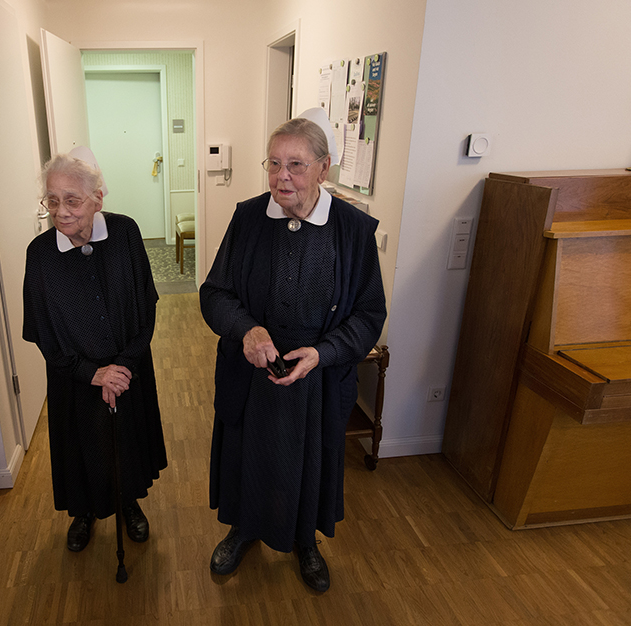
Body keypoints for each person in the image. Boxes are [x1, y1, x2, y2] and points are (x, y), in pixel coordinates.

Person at [199, 108, 386, 592]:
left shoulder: (353, 230)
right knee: (247, 454)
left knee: (310, 460)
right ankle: (243, 530)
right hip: (251, 372)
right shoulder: (247, 217)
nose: (282, 176)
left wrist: (323, 353)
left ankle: (306, 542)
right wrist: (247, 331)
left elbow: (369, 314)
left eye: (296, 165)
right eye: (274, 164)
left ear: (324, 169)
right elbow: (215, 293)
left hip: (317, 379)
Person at [22, 147, 167, 554]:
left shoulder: (125, 233)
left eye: (73, 200)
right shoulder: (40, 254)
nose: (61, 211)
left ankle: (127, 503)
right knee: (81, 445)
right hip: (75, 377)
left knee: (125, 441)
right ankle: (82, 512)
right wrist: (92, 373)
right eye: (52, 200)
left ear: (98, 198)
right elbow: (43, 332)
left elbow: (146, 305)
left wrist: (122, 366)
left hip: (128, 369)